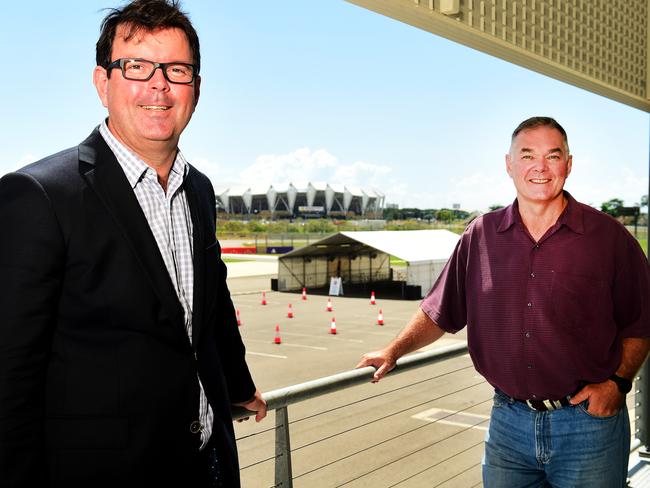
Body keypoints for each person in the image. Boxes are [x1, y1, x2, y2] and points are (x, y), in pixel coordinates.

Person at [0, 1, 266, 486]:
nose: (158, 85)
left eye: (177, 70)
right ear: (103, 84)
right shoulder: (39, 195)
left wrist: (241, 386)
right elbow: (10, 373)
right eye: (137, 67)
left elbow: (212, 306)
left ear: (197, 88)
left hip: (208, 459)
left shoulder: (200, 190)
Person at [357, 116, 650, 487]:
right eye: (527, 155)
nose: (540, 167)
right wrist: (393, 350)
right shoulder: (481, 235)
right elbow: (440, 310)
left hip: (587, 424)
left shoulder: (608, 237)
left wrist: (617, 384)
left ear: (569, 165)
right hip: (508, 424)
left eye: (552, 156)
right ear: (509, 165)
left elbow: (641, 321)